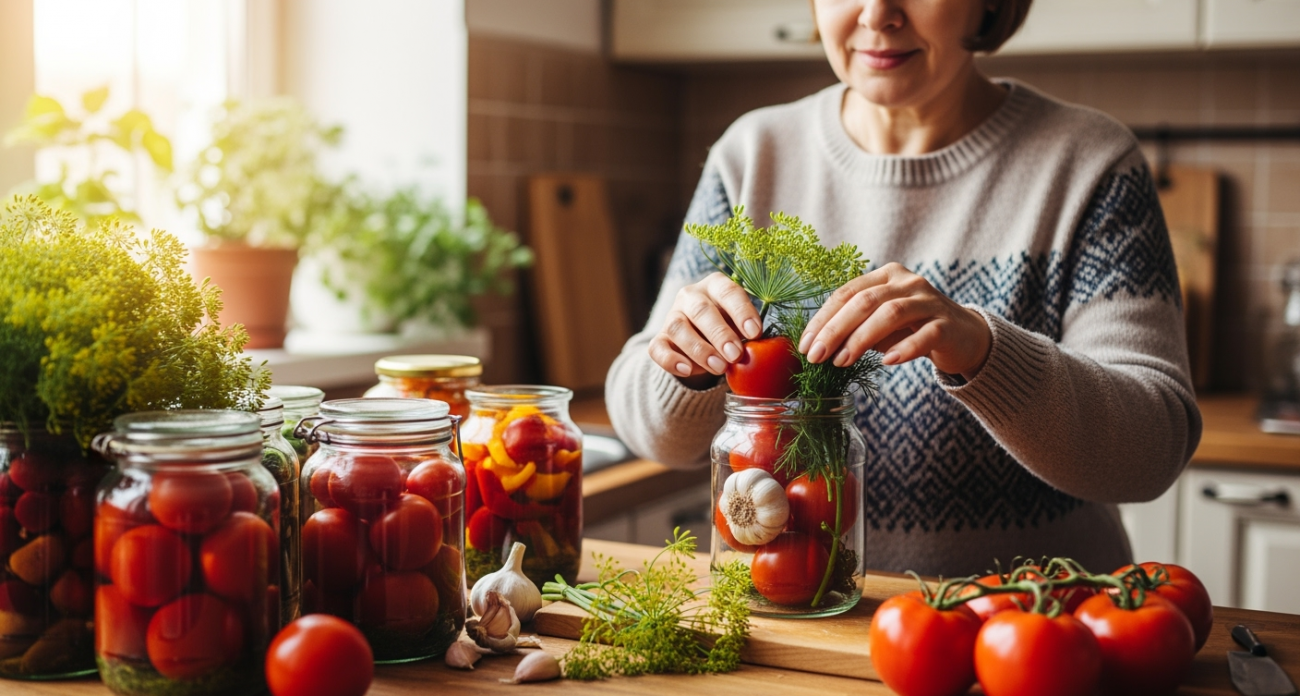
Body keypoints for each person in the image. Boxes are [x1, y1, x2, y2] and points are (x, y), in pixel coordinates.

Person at [604, 0, 1202, 577]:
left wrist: (984, 352)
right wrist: (688, 367)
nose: (876, 14)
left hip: (1033, 621)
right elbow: (650, 429)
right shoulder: (751, 155)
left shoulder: (1091, 162)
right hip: (806, 616)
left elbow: (1154, 449)